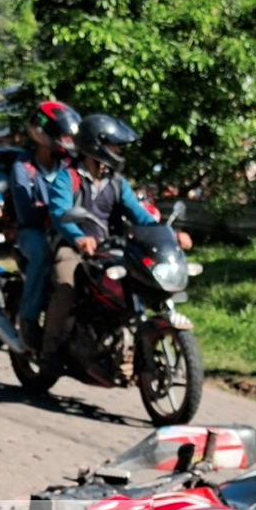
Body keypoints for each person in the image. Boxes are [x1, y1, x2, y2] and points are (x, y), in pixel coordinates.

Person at [43, 114, 191, 361]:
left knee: (139, 281)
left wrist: (170, 235)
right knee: (66, 288)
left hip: (110, 248)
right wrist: (78, 237)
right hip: (72, 247)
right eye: (114, 145)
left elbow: (140, 215)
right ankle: (50, 350)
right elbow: (59, 213)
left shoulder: (117, 182)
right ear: (95, 145)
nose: (118, 150)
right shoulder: (67, 177)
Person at [10, 101, 81, 352]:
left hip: (66, 229)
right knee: (41, 255)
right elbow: (26, 212)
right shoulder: (23, 167)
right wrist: (56, 212)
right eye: (62, 136)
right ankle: (28, 320)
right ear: (43, 135)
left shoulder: (71, 166)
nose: (68, 141)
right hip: (33, 232)